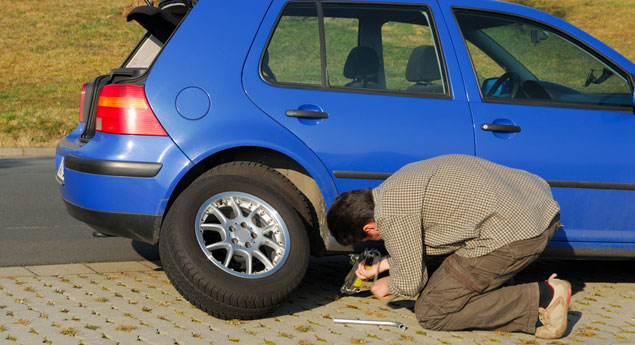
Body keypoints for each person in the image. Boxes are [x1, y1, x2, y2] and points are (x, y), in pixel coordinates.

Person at [327, 154, 571, 339]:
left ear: (369, 227)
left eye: (370, 239)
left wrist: (388, 284)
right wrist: (382, 264)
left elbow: (411, 283)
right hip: (537, 209)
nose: (377, 240)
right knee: (450, 279)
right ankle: (498, 289)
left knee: (432, 311)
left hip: (516, 235)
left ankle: (544, 296)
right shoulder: (395, 186)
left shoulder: (390, 214)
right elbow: (420, 244)